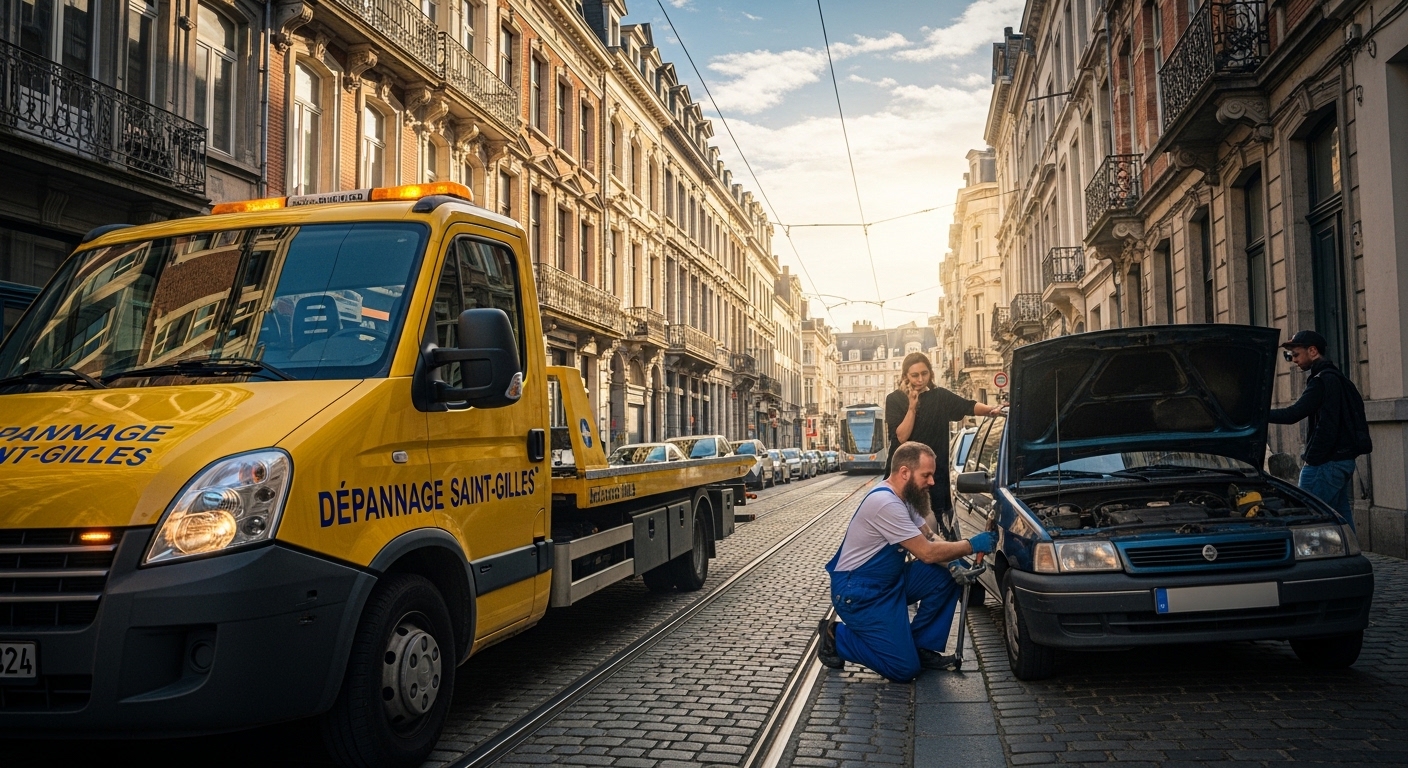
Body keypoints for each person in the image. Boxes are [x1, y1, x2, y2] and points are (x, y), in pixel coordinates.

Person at [816, 441, 998, 683]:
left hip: (889, 581)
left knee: (949, 573)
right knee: (904, 669)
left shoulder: (905, 499)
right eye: (926, 475)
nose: (932, 482)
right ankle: (836, 637)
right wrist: (971, 545)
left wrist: (954, 564)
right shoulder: (885, 503)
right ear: (904, 472)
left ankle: (920, 646)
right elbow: (927, 553)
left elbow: (929, 537)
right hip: (860, 593)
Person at [884, 352, 1004, 533]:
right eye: (914, 375)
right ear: (905, 376)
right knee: (900, 527)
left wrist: (991, 409)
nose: (920, 379)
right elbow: (901, 436)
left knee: (933, 526)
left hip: (933, 476)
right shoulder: (894, 400)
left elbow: (968, 406)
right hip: (904, 475)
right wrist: (912, 407)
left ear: (930, 373)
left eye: (924, 373)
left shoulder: (940, 397)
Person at [1268, 330, 1372, 527]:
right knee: (1342, 523)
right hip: (1343, 462)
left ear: (1313, 351)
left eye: (1296, 354)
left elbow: (1293, 414)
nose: (1293, 360)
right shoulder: (1338, 378)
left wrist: (1258, 415)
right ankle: (1350, 549)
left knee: (1307, 521)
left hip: (1325, 464)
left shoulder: (1321, 380)